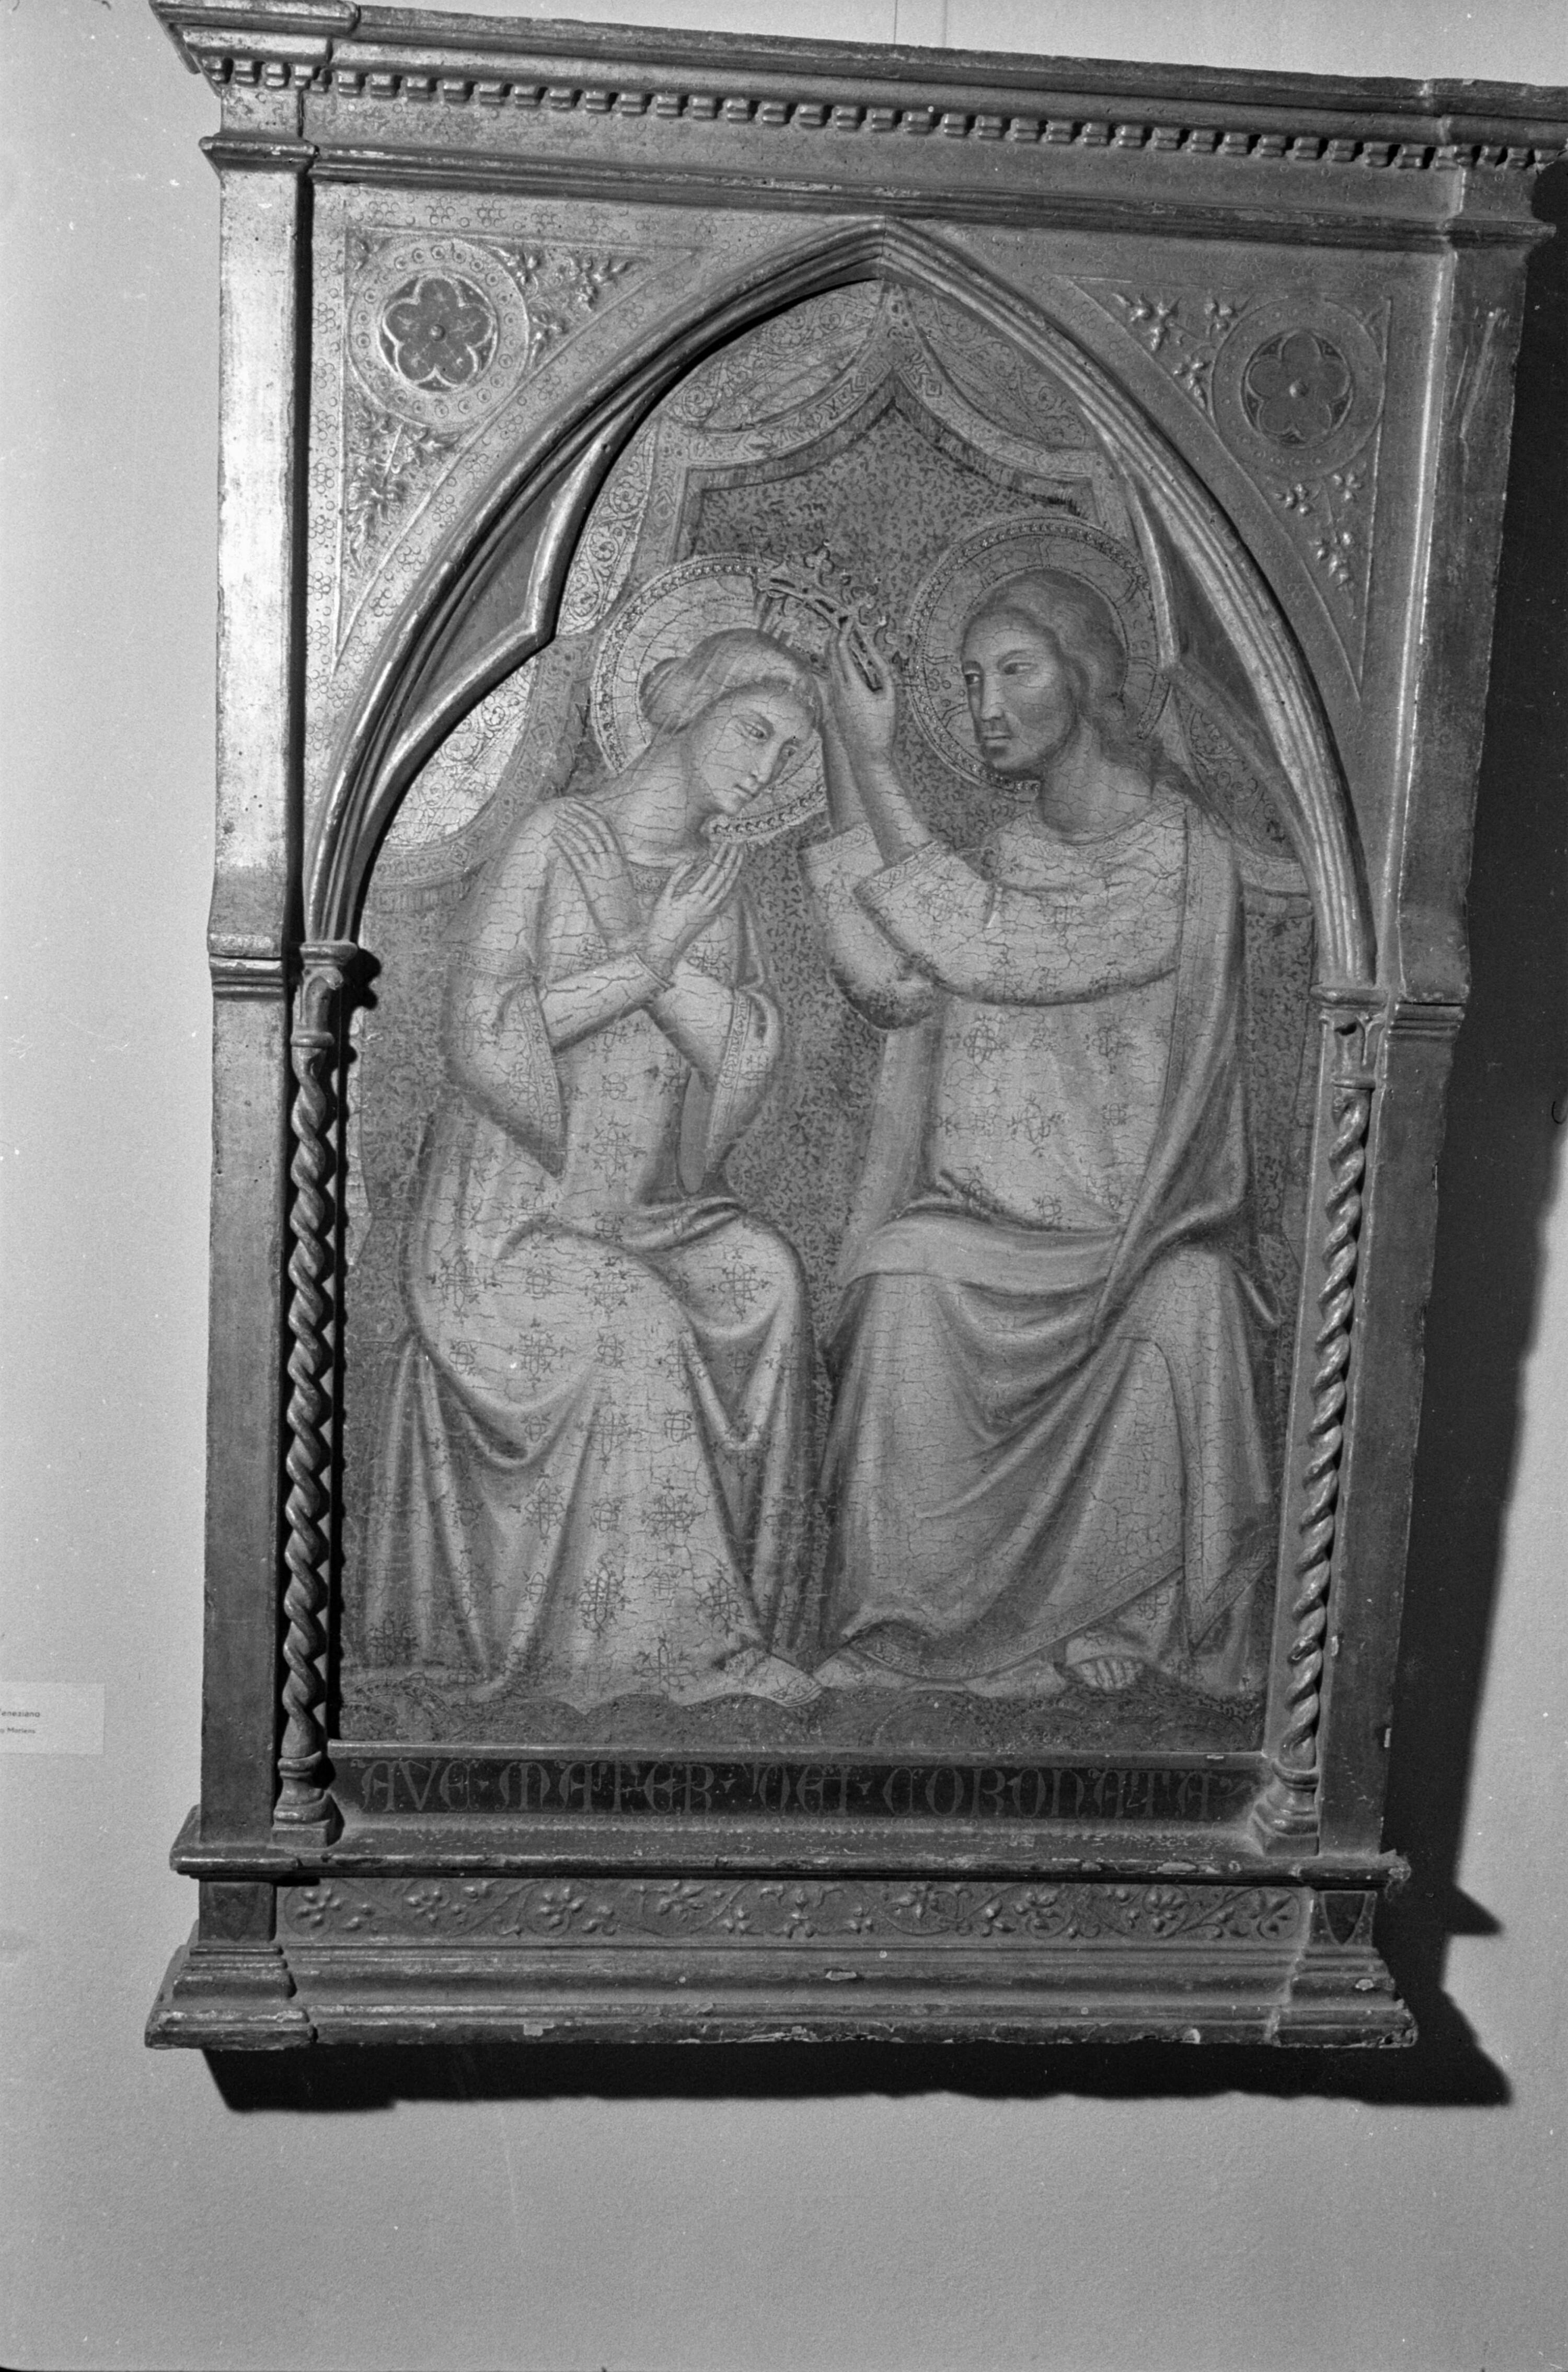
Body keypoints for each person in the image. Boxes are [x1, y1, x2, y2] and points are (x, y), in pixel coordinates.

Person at [802, 570, 1276, 1700]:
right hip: (984, 1236)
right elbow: (896, 983)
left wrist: (877, 763)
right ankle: (901, 1631)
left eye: (1015, 670)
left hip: (1130, 1245)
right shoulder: (1010, 851)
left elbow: (998, 949)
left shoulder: (1183, 858)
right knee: (900, 1277)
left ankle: (1115, 1608)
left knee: (1193, 1301)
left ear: (1091, 676)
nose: (987, 706)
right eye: (971, 680)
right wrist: (841, 753)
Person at [363, 627, 820, 1708]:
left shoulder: (716, 880)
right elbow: (485, 1036)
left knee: (767, 1277)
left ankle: (768, 1618)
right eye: (753, 731)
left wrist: (653, 956)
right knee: (636, 1317)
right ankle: (689, 1656)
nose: (764, 768)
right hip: (510, 1224)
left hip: (646, 1210)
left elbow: (743, 1051)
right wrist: (646, 959)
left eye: (789, 753)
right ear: (687, 707)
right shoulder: (555, 840)